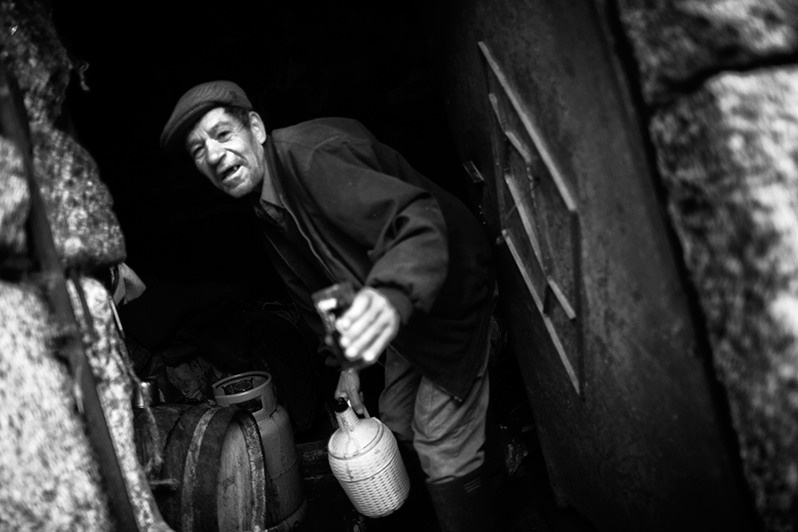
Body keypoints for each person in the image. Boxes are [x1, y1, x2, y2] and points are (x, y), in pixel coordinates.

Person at [160, 80, 497, 531]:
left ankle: (472, 503)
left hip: (448, 286)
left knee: (440, 440)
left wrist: (388, 300)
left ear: (256, 127)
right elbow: (321, 290)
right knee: (394, 423)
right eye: (199, 151)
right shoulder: (268, 207)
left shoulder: (312, 157)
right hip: (398, 305)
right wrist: (350, 367)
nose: (215, 156)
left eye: (223, 134)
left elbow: (416, 223)